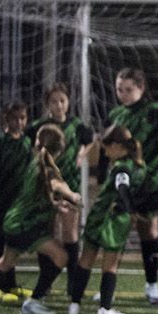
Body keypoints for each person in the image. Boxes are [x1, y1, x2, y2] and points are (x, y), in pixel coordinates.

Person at [0, 123, 82, 314]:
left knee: (6, 262)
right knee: (61, 256)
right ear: (59, 150)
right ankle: (34, 301)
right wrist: (73, 195)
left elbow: (39, 195)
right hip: (25, 225)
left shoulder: (36, 162)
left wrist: (56, 205)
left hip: (14, 221)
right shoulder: (47, 169)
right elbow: (57, 185)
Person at [106, 67, 158, 304]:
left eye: (129, 90)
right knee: (116, 232)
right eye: (119, 90)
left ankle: (152, 285)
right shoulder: (115, 114)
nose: (123, 94)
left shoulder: (154, 112)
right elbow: (107, 148)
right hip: (122, 182)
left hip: (149, 181)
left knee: (148, 231)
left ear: (141, 89)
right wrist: (103, 177)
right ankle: (107, 287)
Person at [65, 125, 143, 314]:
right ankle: (105, 309)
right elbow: (123, 187)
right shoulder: (125, 166)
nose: (105, 153)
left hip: (97, 216)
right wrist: (131, 210)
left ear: (117, 146)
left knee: (86, 260)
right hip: (113, 221)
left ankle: (74, 304)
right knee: (110, 265)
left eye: (106, 148)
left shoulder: (119, 165)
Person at [30, 81, 96, 285]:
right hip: (46, 187)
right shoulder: (40, 127)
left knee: (70, 232)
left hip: (71, 185)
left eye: (62, 101)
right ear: (47, 104)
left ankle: (73, 283)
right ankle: (46, 280)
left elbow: (91, 139)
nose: (59, 105)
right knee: (47, 233)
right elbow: (28, 143)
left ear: (68, 102)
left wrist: (82, 154)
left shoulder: (76, 125)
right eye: (54, 102)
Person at [0, 101, 33, 302]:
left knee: (12, 243)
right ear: (6, 119)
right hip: (2, 200)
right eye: (15, 118)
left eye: (22, 118)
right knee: (0, 241)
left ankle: (10, 284)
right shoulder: (0, 143)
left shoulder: (26, 142)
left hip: (19, 202)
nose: (19, 122)